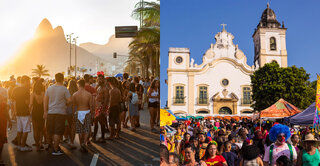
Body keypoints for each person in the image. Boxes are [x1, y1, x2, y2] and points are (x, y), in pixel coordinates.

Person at [44, 73, 71, 155]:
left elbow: (45, 100)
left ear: (55, 79)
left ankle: (52, 145)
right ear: (63, 79)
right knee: (58, 132)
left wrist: (45, 111)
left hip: (50, 112)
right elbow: (70, 100)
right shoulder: (64, 89)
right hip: (60, 113)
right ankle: (56, 150)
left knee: (50, 130)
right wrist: (65, 104)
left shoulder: (49, 88)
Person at [12, 75, 32, 152]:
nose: (29, 83)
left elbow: (14, 101)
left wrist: (14, 111)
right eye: (28, 81)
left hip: (18, 112)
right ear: (24, 81)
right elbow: (27, 102)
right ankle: (23, 146)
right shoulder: (26, 90)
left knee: (19, 130)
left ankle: (19, 145)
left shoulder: (15, 89)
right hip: (24, 112)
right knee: (25, 130)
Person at [72, 79, 93, 152]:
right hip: (86, 111)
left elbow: (73, 106)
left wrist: (73, 114)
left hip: (78, 112)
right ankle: (84, 142)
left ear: (78, 85)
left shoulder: (75, 94)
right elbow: (91, 105)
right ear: (84, 85)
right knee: (86, 128)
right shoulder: (88, 94)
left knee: (79, 129)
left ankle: (81, 144)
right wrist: (92, 114)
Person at [29, 80, 45, 152]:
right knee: (41, 129)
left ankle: (37, 146)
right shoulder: (44, 93)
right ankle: (41, 142)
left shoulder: (33, 94)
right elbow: (45, 104)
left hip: (35, 112)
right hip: (42, 112)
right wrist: (45, 112)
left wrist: (29, 113)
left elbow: (31, 104)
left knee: (35, 130)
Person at [93, 75, 109, 142]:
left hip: (101, 107)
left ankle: (102, 137)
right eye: (98, 79)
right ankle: (94, 137)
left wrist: (103, 109)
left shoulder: (105, 88)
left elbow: (106, 99)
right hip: (97, 107)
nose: (99, 80)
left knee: (101, 122)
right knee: (95, 122)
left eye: (101, 79)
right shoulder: (98, 87)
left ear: (103, 80)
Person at [0, 82, 11, 164]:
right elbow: (6, 112)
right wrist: (10, 121)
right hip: (2, 122)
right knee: (1, 141)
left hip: (2, 122)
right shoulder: (3, 101)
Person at [65, 80, 78, 149]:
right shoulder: (77, 92)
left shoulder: (66, 92)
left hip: (67, 110)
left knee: (67, 124)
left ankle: (67, 138)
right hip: (75, 110)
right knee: (73, 126)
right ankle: (72, 141)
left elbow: (65, 102)